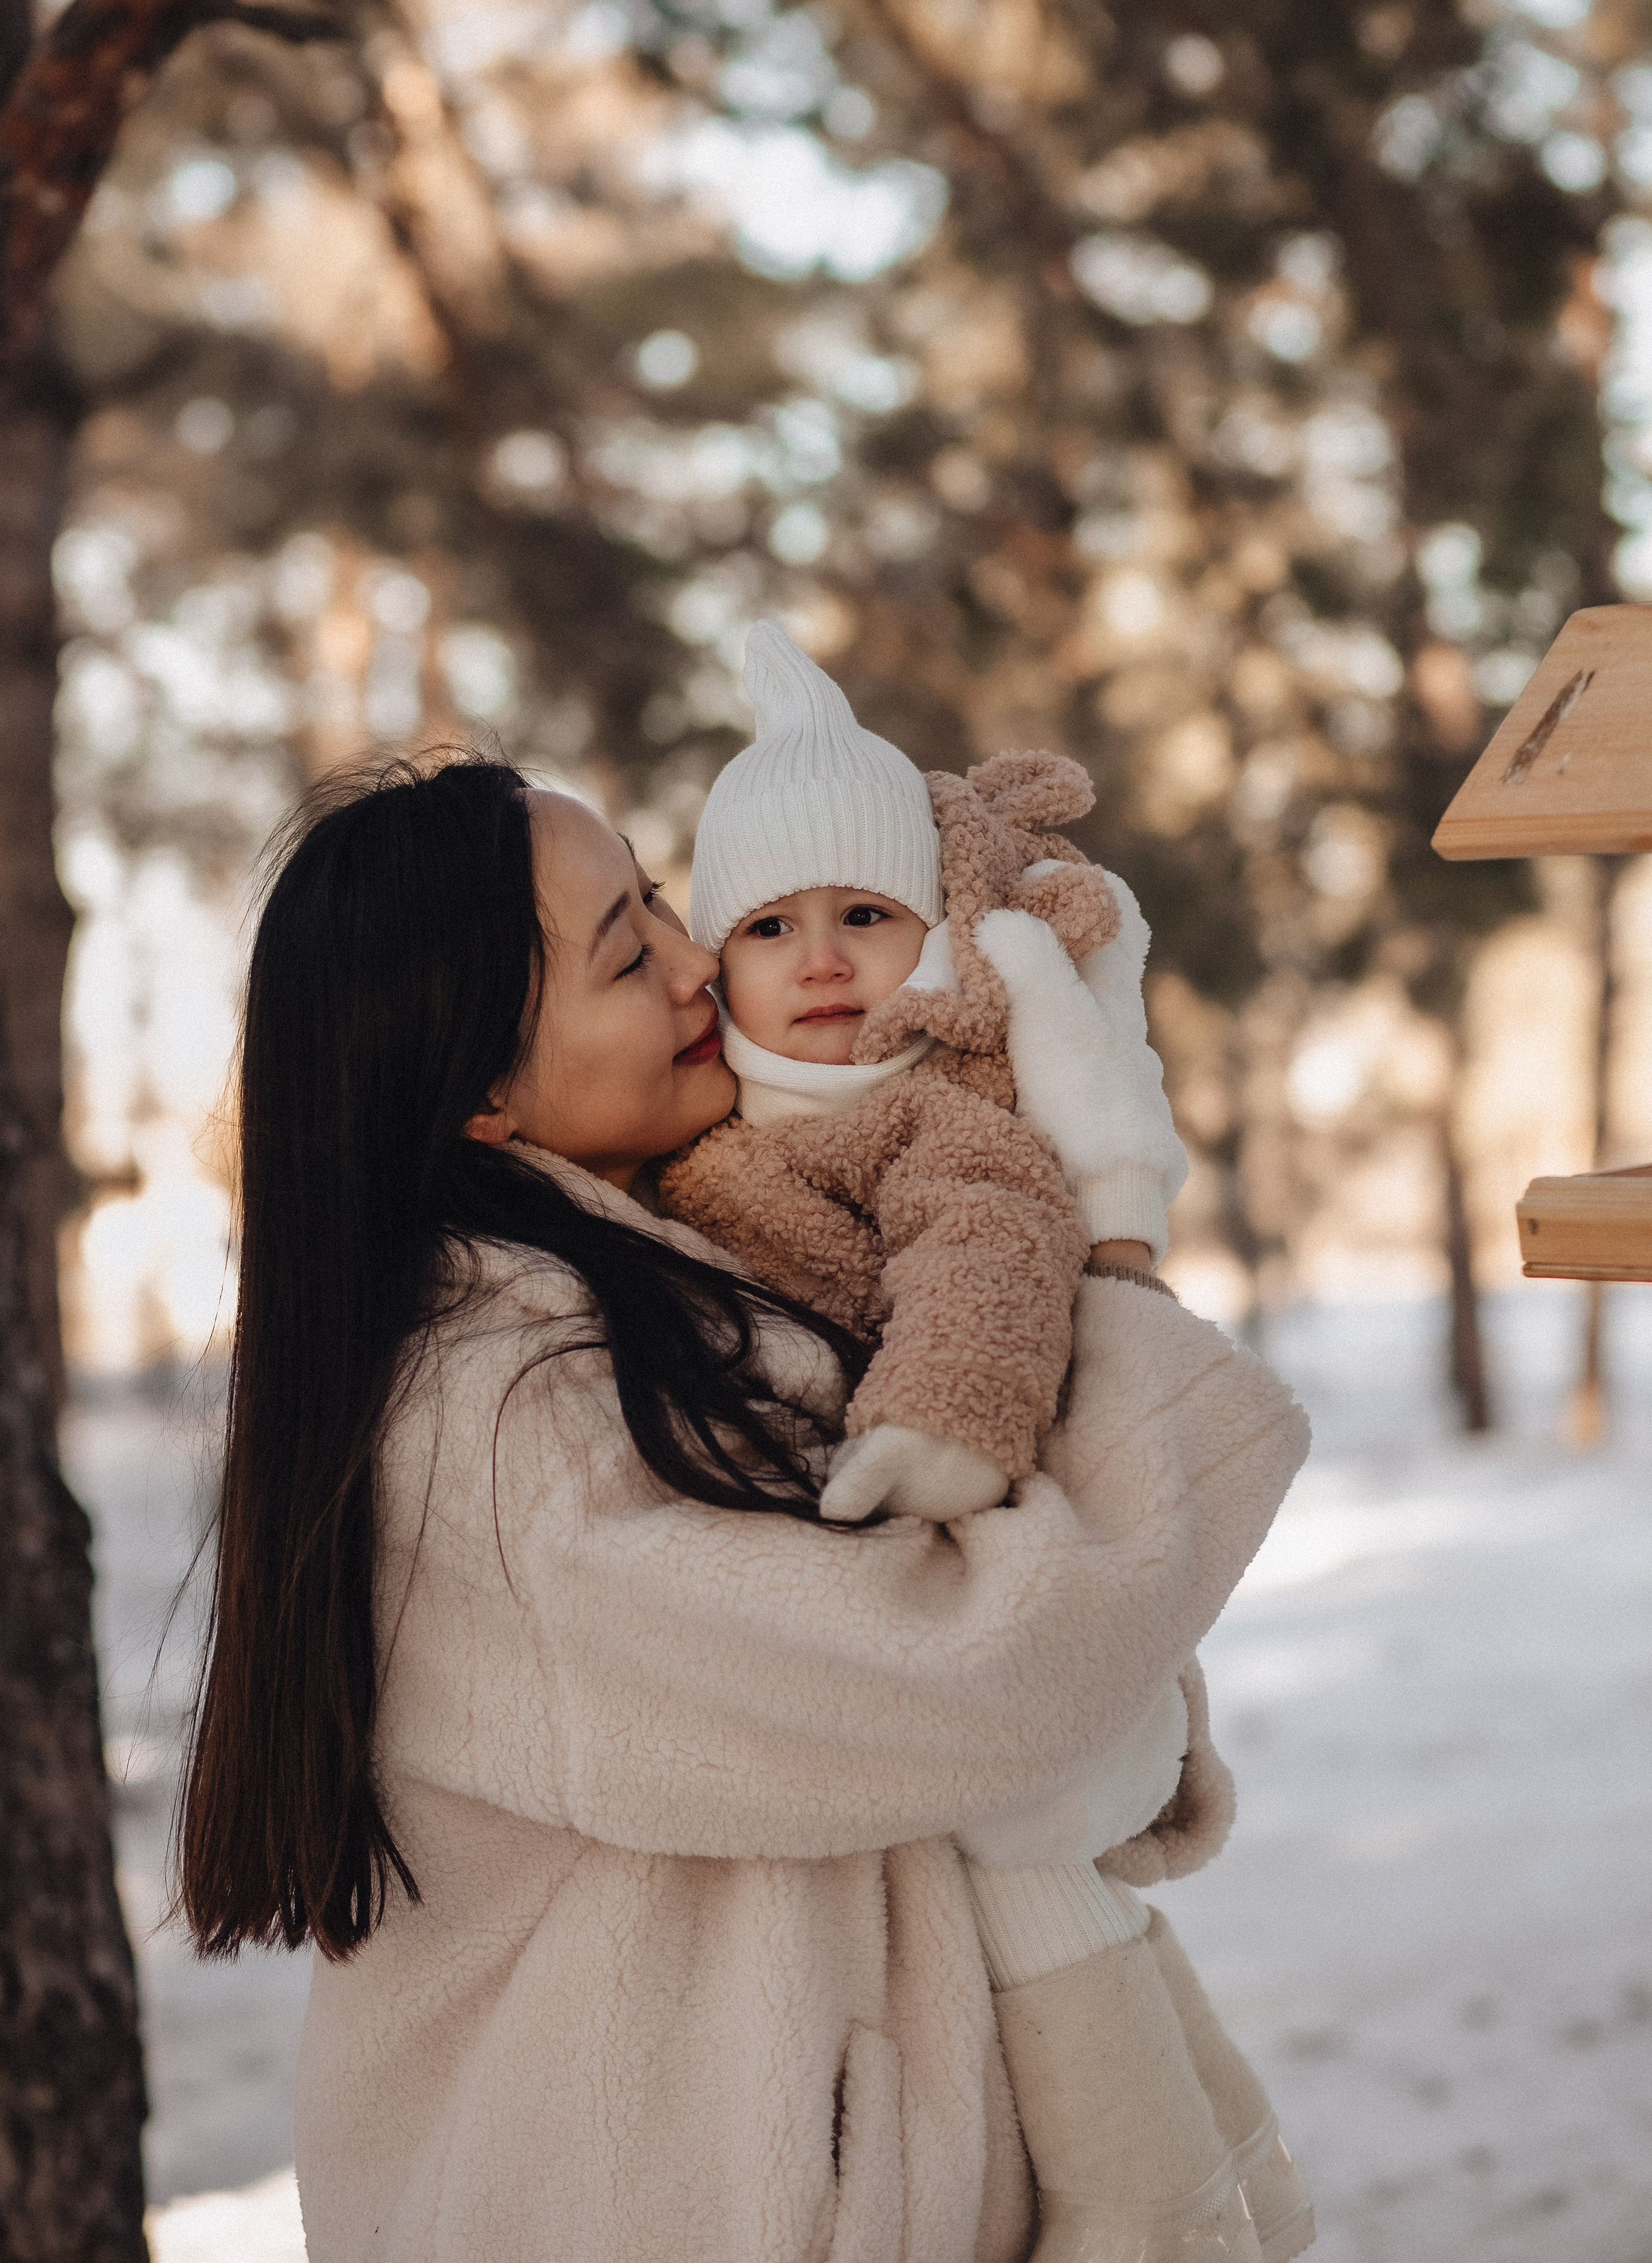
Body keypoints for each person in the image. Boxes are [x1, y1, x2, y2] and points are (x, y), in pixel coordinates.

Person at [178, 754, 1310, 2263]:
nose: (700, 958)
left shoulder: (658, 1281)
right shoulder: (497, 1421)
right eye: (626, 952)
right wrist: (1110, 1279)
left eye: (655, 899)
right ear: (482, 1096)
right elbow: (964, 1670)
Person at [660, 625, 1313, 2263]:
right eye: (771, 926)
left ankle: (1149, 2208)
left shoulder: (940, 1116)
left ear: (937, 939)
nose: (820, 961)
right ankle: (1227, 2154)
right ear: (709, 960)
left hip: (988, 1538)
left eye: (866, 918)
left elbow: (992, 1256)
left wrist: (945, 1426)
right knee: (1057, 1887)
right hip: (884, 1597)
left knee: (1033, 1873)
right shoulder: (706, 1146)